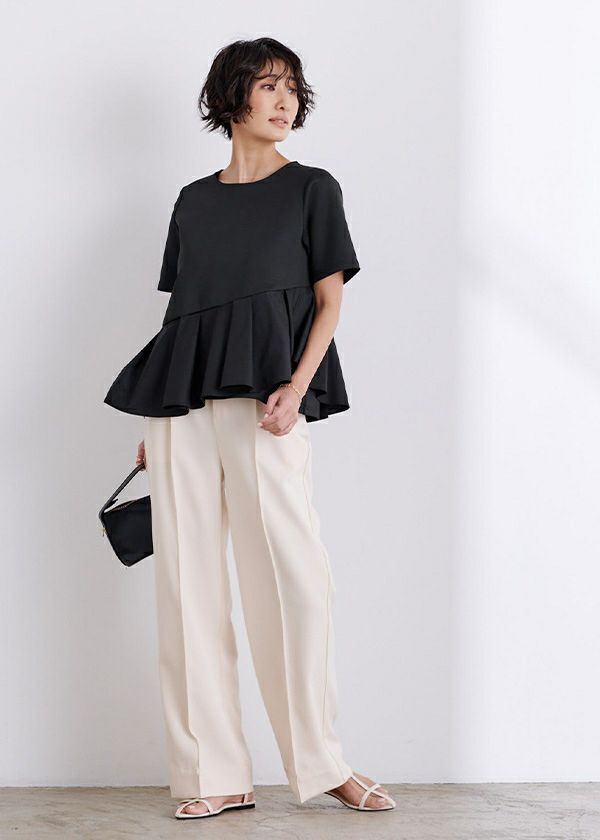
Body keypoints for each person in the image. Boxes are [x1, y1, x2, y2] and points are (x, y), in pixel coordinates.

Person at [103, 37, 395, 819]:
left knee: (296, 580)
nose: (284, 99)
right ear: (230, 97)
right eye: (267, 85)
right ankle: (214, 774)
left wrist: (297, 387)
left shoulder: (311, 189)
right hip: (183, 409)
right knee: (187, 586)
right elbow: (186, 311)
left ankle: (322, 762)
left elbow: (329, 301)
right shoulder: (192, 202)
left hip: (270, 403)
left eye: (292, 86)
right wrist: (160, 409)